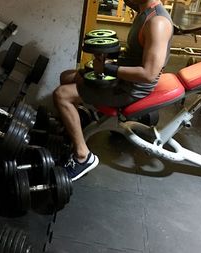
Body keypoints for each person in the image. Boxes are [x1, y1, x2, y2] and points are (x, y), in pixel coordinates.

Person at [52, 0, 173, 181]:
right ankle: (84, 119)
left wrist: (107, 69)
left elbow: (148, 74)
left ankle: (82, 156)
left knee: (61, 95)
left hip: (131, 89)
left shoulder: (158, 23)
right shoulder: (143, 10)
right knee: (68, 76)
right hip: (124, 79)